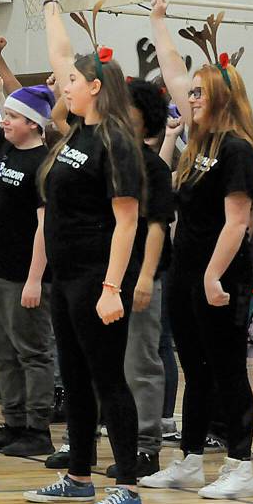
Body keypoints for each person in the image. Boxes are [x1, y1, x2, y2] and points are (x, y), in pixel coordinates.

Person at [23, 0, 144, 504]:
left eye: (72, 80)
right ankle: (78, 476)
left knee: (107, 379)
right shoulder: (77, 134)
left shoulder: (115, 140)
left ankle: (127, 484)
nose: (62, 84)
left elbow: (127, 221)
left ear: (95, 87)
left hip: (99, 277)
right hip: (66, 277)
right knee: (73, 379)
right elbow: (61, 57)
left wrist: (113, 286)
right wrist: (49, 1)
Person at [140, 0, 253, 499]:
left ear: (221, 98)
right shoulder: (199, 146)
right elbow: (174, 75)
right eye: (190, 93)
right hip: (188, 273)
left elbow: (237, 222)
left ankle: (240, 464)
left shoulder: (236, 149)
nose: (190, 98)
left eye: (199, 93)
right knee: (195, 368)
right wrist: (159, 24)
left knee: (227, 370)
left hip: (221, 276)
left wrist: (213, 277)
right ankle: (190, 458)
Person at [0, 72, 57, 459]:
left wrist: (35, 279)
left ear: (33, 124)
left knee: (32, 353)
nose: (4, 120)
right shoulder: (5, 146)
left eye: (13, 117)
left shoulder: (42, 163)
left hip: (24, 276)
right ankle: (14, 422)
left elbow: (44, 227)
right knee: (1, 352)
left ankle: (38, 428)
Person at [102, 79, 175, 480]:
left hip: (140, 278)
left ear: (143, 116)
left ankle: (148, 447)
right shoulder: (109, 155)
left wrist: (146, 276)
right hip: (107, 280)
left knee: (141, 362)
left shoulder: (153, 166)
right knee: (111, 365)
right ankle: (121, 443)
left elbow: (157, 226)